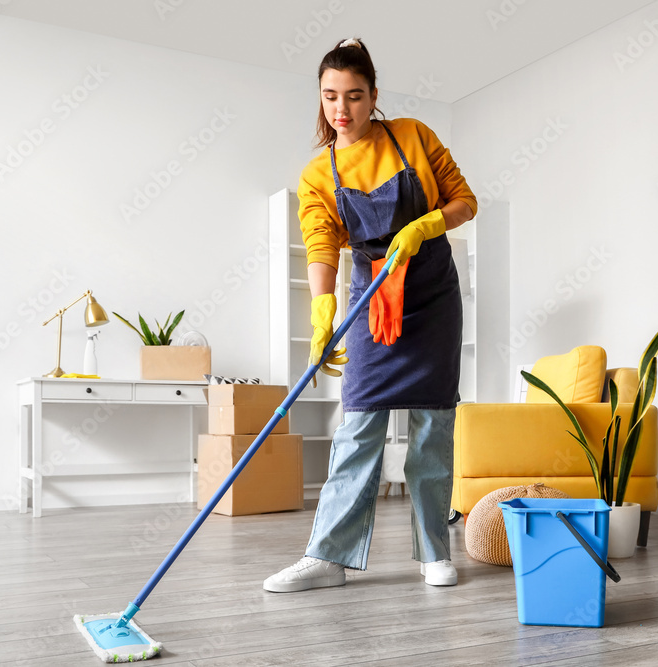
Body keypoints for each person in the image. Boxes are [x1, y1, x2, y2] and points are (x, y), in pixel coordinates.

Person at [264, 37, 476, 593]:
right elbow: (320, 245)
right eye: (331, 96)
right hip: (371, 292)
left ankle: (434, 551)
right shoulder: (319, 173)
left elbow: (463, 200)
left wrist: (427, 225)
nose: (342, 109)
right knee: (357, 425)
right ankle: (327, 556)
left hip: (431, 294)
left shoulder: (413, 135)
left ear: (373, 95)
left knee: (433, 425)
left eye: (354, 96)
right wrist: (321, 313)